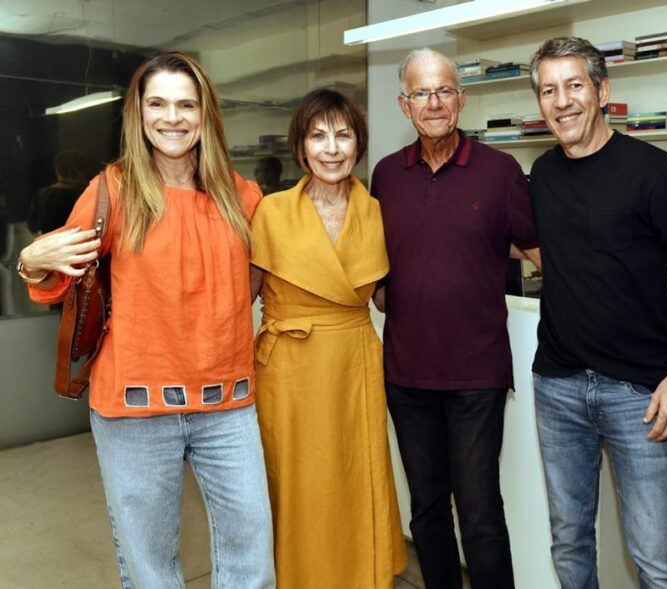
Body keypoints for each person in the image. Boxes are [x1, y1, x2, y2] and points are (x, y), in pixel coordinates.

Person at [16, 52, 275, 588]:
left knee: (253, 559)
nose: (173, 117)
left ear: (206, 114)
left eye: (187, 104)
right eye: (157, 103)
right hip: (135, 407)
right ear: (138, 112)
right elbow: (54, 272)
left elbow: (261, 278)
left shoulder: (241, 195)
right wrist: (30, 260)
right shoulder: (113, 189)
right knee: (152, 570)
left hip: (228, 405)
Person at [527, 36, 667, 588]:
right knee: (569, 541)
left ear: (603, 91)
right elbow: (551, 252)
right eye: (548, 90)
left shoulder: (655, 171)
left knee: (657, 558)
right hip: (558, 388)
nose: (562, 101)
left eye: (574, 86)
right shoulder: (540, 175)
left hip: (641, 393)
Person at [370, 48, 541, 589]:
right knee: (425, 509)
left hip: (476, 375)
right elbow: (375, 270)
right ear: (404, 104)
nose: (435, 102)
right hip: (406, 372)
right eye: (422, 93)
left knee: (480, 512)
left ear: (462, 99)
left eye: (444, 90)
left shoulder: (501, 171)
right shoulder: (386, 176)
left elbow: (543, 255)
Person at [248, 88, 407, 588]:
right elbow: (239, 299)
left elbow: (388, 297)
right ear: (300, 148)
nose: (331, 148)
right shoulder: (271, 212)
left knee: (354, 480)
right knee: (295, 486)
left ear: (359, 145)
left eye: (343, 135)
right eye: (318, 136)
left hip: (353, 364)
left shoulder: (379, 213)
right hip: (288, 371)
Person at [27, 149, 90, 235]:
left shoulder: (42, 195)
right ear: (82, 170)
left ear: (57, 170)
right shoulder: (87, 193)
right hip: (80, 245)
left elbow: (32, 226)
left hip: (51, 244)